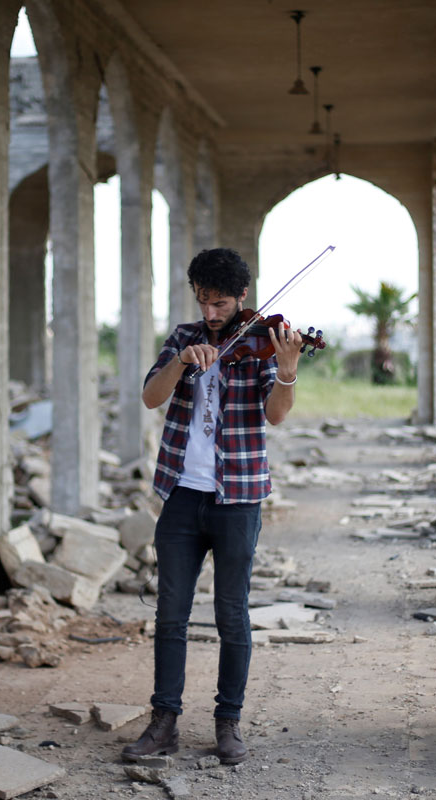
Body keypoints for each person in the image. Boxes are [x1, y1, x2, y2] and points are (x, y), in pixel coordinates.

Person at [122, 248, 303, 765]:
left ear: (242, 297)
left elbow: (276, 415)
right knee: (170, 614)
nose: (210, 313)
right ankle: (164, 723)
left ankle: (228, 723)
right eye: (203, 301)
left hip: (238, 497)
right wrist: (181, 363)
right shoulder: (183, 337)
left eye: (220, 303)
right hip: (181, 494)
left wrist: (287, 370)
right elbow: (151, 398)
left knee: (232, 614)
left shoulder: (263, 341)